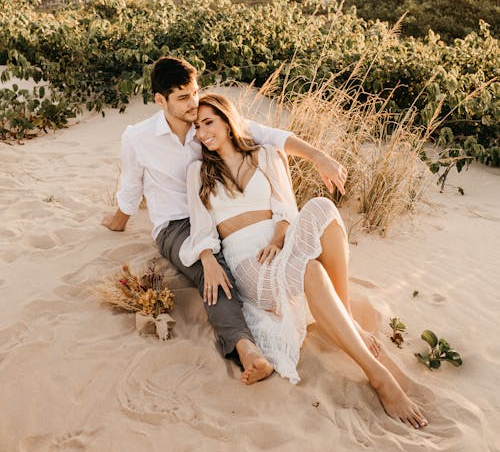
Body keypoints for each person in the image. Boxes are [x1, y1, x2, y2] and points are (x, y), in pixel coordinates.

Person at [180, 93, 428, 429]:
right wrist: (208, 257)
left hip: (277, 245)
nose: (202, 132)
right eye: (196, 127)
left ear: (227, 120)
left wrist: (278, 240)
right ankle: (379, 376)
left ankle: (348, 319)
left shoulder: (265, 155)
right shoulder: (199, 171)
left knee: (323, 207)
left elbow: (285, 211)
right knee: (310, 268)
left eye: (208, 122)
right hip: (246, 262)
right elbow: (201, 230)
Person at [102, 56, 348, 384]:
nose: (193, 103)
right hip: (177, 225)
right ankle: (246, 349)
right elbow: (131, 187)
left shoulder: (205, 121)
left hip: (220, 216)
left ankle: (331, 310)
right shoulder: (138, 137)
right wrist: (119, 221)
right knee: (212, 273)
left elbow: (269, 136)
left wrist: (318, 156)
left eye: (194, 92)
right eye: (182, 97)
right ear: (160, 101)